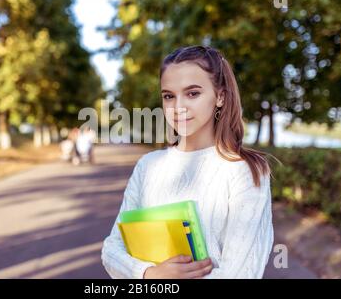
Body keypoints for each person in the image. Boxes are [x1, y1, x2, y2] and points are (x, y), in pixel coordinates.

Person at [101, 45, 275, 279]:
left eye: (192, 93)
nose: (178, 107)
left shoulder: (244, 171)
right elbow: (112, 249)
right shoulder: (147, 166)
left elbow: (242, 273)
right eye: (169, 96)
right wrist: (149, 275)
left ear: (220, 97)